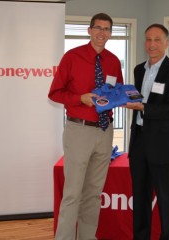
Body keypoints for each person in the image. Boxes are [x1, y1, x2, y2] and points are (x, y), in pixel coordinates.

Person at [48, 13, 124, 240]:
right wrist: (79, 98)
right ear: (89, 30)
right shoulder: (72, 57)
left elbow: (117, 92)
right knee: (72, 193)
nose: (102, 33)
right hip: (78, 130)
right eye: (98, 28)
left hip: (104, 131)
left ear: (111, 33)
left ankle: (87, 237)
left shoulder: (113, 61)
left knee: (93, 193)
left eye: (107, 29)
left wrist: (125, 97)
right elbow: (54, 93)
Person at [123, 24, 169, 240]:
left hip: (163, 144)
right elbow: (137, 98)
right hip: (139, 141)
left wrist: (143, 107)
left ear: (167, 43)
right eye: (148, 39)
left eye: (157, 40)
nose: (151, 44)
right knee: (140, 198)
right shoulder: (138, 69)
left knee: (166, 199)